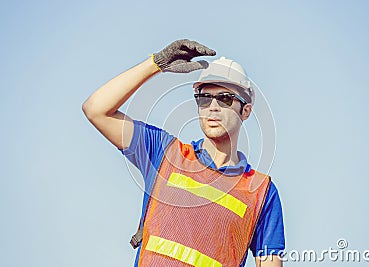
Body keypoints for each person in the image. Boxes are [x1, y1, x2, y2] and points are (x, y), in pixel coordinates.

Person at [82, 39, 285, 267]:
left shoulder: (261, 192)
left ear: (245, 111)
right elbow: (96, 110)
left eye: (225, 98)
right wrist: (155, 64)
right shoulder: (164, 153)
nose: (213, 107)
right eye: (205, 98)